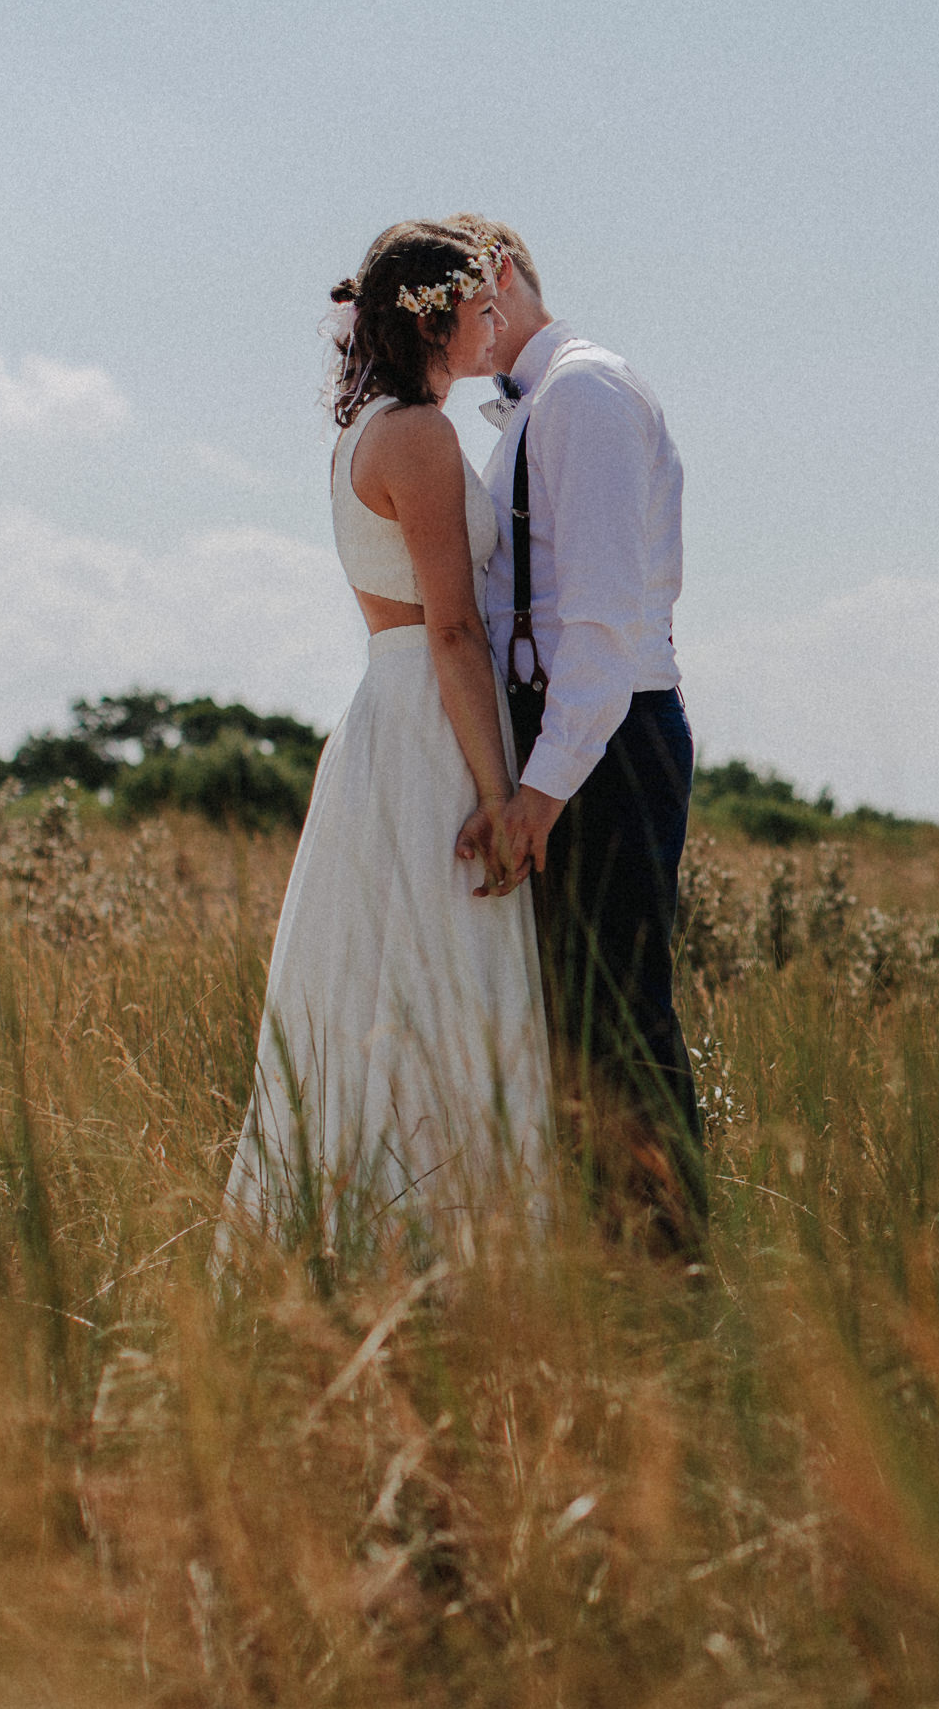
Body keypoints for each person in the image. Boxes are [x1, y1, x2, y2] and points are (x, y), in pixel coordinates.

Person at [224, 221, 553, 1265]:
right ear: (435, 312)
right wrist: (504, 796)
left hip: (391, 700)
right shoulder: (416, 434)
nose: (489, 322)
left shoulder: (363, 430)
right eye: (477, 304)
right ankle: (440, 1252)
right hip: (429, 715)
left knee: (382, 977)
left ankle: (363, 1243)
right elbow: (454, 626)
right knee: (439, 975)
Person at [454, 215, 704, 1253]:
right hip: (565, 736)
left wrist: (543, 792)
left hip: (606, 740)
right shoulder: (535, 408)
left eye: (447, 296)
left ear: (498, 277)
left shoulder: (586, 393)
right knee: (571, 1030)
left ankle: (668, 1281)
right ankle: (610, 1271)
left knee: (617, 1029)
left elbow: (599, 623)